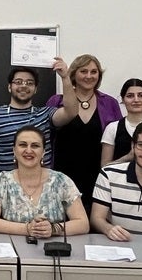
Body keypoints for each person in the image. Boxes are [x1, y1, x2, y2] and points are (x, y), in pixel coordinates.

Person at [45, 54, 122, 214]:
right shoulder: (56, 101)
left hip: (98, 177)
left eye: (94, 72)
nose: (89, 76)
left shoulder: (109, 103)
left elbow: (119, 138)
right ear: (74, 73)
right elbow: (45, 135)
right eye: (84, 71)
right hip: (61, 176)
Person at [0, 126, 89, 237]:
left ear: (43, 152)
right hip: (12, 250)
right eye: (23, 145)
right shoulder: (0, 182)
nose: (28, 150)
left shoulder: (62, 181)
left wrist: (54, 229)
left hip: (54, 250)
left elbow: (83, 223)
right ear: (14, 150)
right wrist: (27, 229)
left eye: (35, 146)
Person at [0, 61, 76, 177]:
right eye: (18, 82)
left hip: (41, 186)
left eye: (29, 83)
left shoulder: (45, 114)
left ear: (35, 89)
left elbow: (71, 112)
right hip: (5, 188)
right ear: (9, 87)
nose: (23, 85)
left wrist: (65, 77)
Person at [100, 78, 142, 167]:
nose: (136, 100)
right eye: (130, 96)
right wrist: (128, 157)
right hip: (119, 180)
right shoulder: (113, 128)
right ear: (123, 99)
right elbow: (104, 166)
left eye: (141, 95)